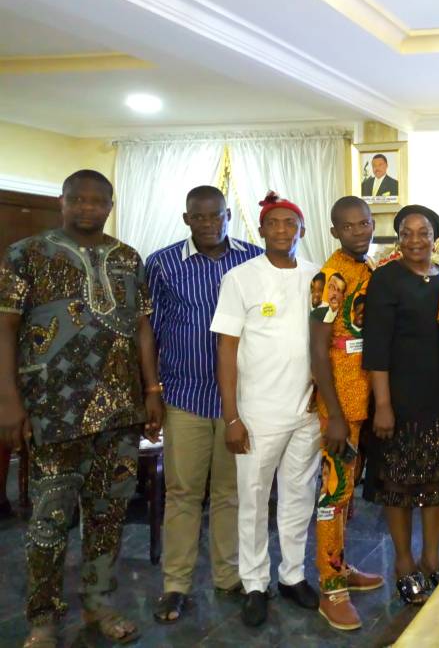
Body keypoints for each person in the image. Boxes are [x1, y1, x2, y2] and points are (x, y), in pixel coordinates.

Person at [0, 169, 163, 648]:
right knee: (48, 519)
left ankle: (99, 604)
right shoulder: (25, 254)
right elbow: (5, 328)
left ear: (110, 205)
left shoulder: (127, 258)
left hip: (120, 411)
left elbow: (142, 328)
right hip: (52, 411)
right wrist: (8, 400)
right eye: (79, 200)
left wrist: (151, 389)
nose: (88, 208)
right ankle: (42, 619)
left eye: (98, 201)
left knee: (108, 516)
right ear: (63, 201)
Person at [147, 185, 263, 624]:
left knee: (231, 493)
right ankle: (175, 585)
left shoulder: (253, 260)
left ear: (228, 215)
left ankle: (228, 576)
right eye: (199, 216)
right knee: (182, 494)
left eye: (217, 215)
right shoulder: (162, 264)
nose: (209, 224)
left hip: (240, 401)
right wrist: (152, 390)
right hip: (185, 398)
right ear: (186, 219)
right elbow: (150, 330)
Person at [211, 192, 321, 628]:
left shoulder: (316, 277)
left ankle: (293, 575)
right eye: (272, 223)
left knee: (299, 496)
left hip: (307, 410)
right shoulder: (240, 278)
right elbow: (226, 349)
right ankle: (254, 583)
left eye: (289, 223)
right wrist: (232, 417)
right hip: (257, 413)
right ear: (261, 230)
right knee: (253, 500)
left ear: (301, 230)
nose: (281, 230)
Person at [363, 205, 439, 604]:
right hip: (399, 401)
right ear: (398, 238)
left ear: (436, 238)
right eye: (407, 233)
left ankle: (431, 558)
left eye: (424, 233)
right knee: (398, 486)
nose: (415, 240)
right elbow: (376, 347)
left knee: (437, 483)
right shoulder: (386, 279)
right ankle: (404, 563)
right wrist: (383, 405)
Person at [309, 196, 384, 630]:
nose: (359, 232)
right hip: (340, 405)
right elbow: (318, 349)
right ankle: (330, 587)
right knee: (333, 495)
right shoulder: (329, 277)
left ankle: (342, 565)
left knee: (348, 494)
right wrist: (334, 414)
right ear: (335, 231)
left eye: (365, 223)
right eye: (349, 226)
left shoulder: (369, 267)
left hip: (367, 397)